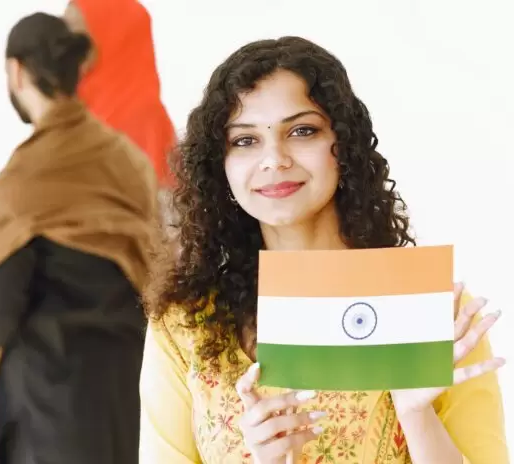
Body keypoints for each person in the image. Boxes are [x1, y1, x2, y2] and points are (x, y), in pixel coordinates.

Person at [139, 36, 508, 463]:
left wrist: (415, 414)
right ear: (219, 164)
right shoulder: (185, 324)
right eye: (244, 140)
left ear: (344, 146)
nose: (273, 159)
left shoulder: (434, 312)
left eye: (302, 131)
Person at [0, 12, 158, 464]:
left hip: (46, 410)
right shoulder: (129, 162)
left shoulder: (17, 189)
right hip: (126, 396)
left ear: (16, 71)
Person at [64, 0, 178, 233]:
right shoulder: (70, 115)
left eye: (73, 35)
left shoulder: (143, 120)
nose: (61, 47)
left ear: (110, 36)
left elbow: (165, 236)